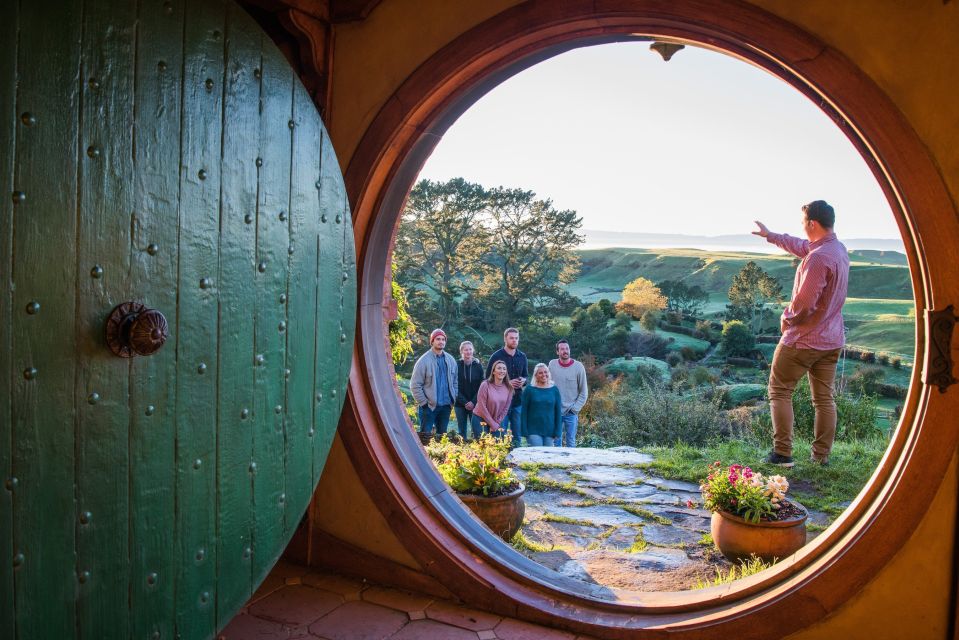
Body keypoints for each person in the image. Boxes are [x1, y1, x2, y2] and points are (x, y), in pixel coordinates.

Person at [753, 200, 850, 466]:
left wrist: (787, 319)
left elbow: (805, 303)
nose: (803, 227)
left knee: (779, 390)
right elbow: (801, 246)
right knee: (823, 399)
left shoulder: (818, 258)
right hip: (831, 341)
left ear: (812, 223)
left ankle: (782, 453)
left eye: (803, 222)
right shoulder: (837, 250)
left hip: (803, 339)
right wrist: (771, 236)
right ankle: (821, 458)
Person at [409, 328, 458, 436]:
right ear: (432, 341)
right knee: (425, 438)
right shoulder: (423, 361)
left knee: (442, 438)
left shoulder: (451, 360)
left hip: (446, 406)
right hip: (429, 407)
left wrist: (453, 398)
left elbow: (455, 382)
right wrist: (424, 404)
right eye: (438, 339)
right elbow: (415, 385)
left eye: (443, 339)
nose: (441, 341)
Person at [484, 327, 528, 443]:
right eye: (511, 338)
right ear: (505, 339)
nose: (514, 340)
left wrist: (523, 381)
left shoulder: (522, 356)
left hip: (517, 402)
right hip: (500, 403)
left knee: (517, 436)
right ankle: (501, 459)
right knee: (499, 435)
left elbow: (526, 376)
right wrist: (507, 383)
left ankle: (517, 461)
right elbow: (487, 379)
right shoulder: (496, 356)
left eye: (516, 338)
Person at [548, 339, 589, 448]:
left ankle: (572, 465)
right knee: (556, 443)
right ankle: (558, 465)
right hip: (556, 411)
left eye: (567, 348)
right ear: (557, 352)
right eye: (562, 349)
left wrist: (575, 409)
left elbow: (584, 392)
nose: (565, 351)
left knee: (571, 442)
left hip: (571, 412)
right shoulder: (552, 365)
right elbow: (547, 386)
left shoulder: (578, 367)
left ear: (569, 350)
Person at [521, 363, 563, 446]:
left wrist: (558, 431)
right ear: (535, 375)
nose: (544, 375)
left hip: (550, 430)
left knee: (549, 457)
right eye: (540, 373)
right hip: (533, 430)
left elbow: (558, 412)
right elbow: (523, 411)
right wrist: (524, 430)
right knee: (536, 456)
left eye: (545, 372)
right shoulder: (529, 390)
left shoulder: (554, 390)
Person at [474, 361, 514, 438]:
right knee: (482, 445)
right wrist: (492, 424)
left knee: (497, 445)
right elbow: (481, 406)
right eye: (499, 368)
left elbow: (506, 409)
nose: (502, 371)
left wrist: (497, 422)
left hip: (497, 420)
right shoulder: (485, 385)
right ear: (493, 372)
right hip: (480, 418)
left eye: (504, 369)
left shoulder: (509, 388)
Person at [454, 341, 484, 440]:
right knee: (461, 432)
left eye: (470, 349)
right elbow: (454, 386)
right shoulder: (456, 366)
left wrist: (473, 402)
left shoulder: (478, 366)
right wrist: (465, 402)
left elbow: (481, 386)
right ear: (461, 351)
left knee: (476, 431)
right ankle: (461, 452)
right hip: (460, 404)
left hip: (475, 404)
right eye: (466, 350)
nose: (468, 352)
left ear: (473, 350)